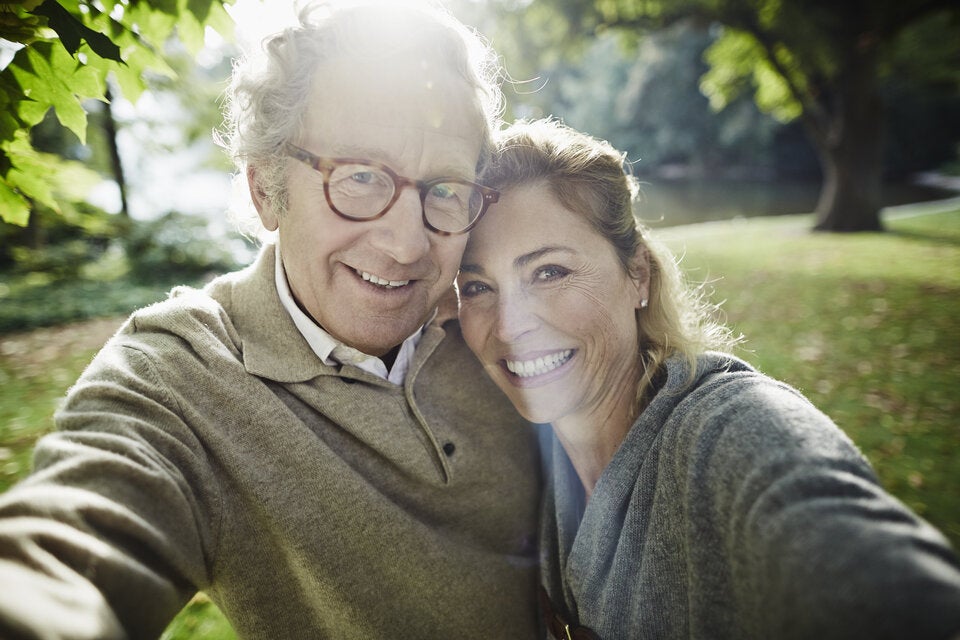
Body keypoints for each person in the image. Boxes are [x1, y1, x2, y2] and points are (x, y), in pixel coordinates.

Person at [0, 3, 543, 638]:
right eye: (360, 177)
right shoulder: (180, 375)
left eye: (444, 188)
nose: (407, 246)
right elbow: (72, 540)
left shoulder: (496, 314)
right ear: (266, 191)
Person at [455, 118, 960, 640]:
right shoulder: (535, 455)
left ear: (638, 275)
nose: (510, 326)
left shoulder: (728, 429)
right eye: (476, 287)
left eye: (550, 272)